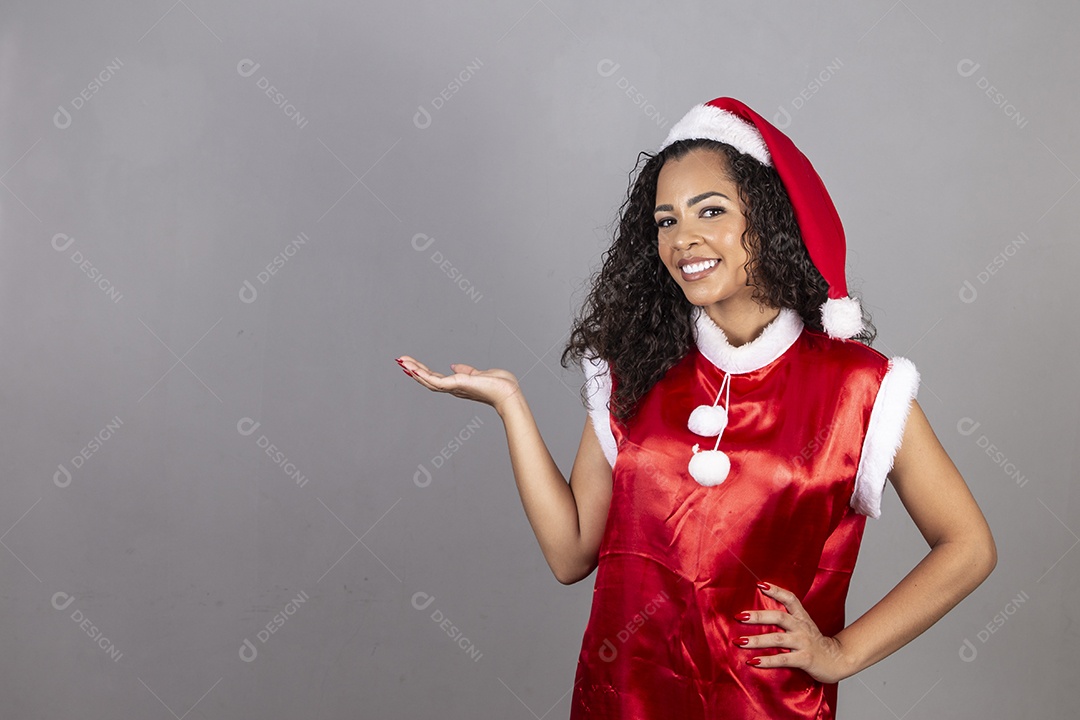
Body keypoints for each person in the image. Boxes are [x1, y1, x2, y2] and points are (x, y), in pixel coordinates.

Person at [396, 96, 996, 719]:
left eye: (711, 211)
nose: (684, 239)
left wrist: (841, 652)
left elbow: (968, 546)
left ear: (764, 220)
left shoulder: (861, 387)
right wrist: (510, 404)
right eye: (665, 221)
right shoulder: (632, 370)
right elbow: (571, 551)